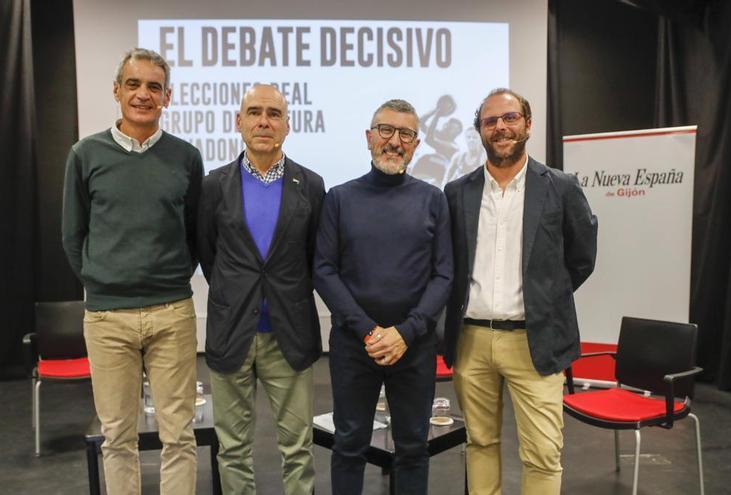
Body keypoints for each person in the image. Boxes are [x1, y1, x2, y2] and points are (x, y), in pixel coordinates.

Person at [61, 48, 203, 495]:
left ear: (167, 97)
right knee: (117, 437)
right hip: (107, 318)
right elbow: (72, 235)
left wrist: (171, 276)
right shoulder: (85, 155)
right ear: (117, 90)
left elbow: (196, 234)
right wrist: (102, 283)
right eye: (135, 84)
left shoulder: (186, 157)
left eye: (154, 87)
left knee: (179, 435)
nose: (144, 94)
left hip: (172, 312)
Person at [443, 88, 597, 495]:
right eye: (491, 121)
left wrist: (544, 299)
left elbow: (582, 259)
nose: (501, 128)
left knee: (543, 454)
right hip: (471, 341)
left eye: (509, 118)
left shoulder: (561, 187)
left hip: (536, 340)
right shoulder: (457, 192)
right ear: (480, 131)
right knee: (479, 443)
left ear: (527, 124)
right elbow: (450, 266)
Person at [314, 99, 453, 495]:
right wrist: (369, 331)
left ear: (416, 144)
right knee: (349, 445)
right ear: (369, 137)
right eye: (386, 130)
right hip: (354, 346)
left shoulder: (433, 199)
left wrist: (406, 332)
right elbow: (323, 270)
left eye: (405, 134)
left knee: (412, 448)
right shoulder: (339, 199)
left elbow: (444, 274)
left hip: (414, 346)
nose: (394, 141)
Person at [196, 83, 325, 495]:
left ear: (288, 124)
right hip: (232, 331)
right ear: (239, 122)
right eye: (254, 112)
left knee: (298, 449)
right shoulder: (213, 185)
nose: (263, 121)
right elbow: (209, 253)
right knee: (232, 450)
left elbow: (313, 257)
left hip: (290, 332)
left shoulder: (312, 185)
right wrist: (240, 295)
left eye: (273, 113)